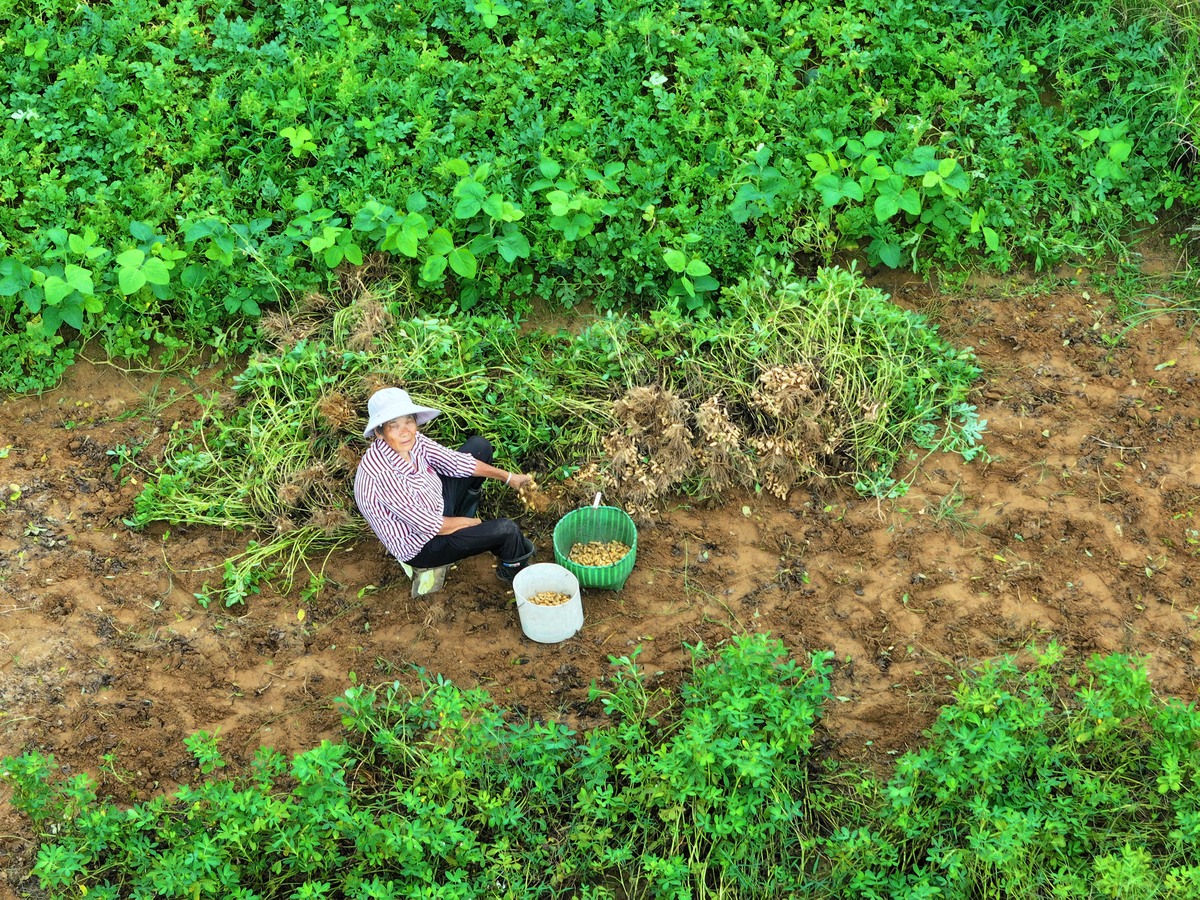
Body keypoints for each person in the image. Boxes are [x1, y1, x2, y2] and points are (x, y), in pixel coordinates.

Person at [354, 387, 537, 582]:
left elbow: (456, 462)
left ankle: (463, 514)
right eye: (394, 425)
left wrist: (510, 478)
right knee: (506, 530)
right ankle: (514, 573)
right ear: (379, 432)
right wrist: (474, 524)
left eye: (409, 421)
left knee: (480, 448)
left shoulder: (411, 441)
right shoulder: (382, 476)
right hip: (424, 543)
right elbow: (433, 526)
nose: (405, 431)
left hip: (436, 503)